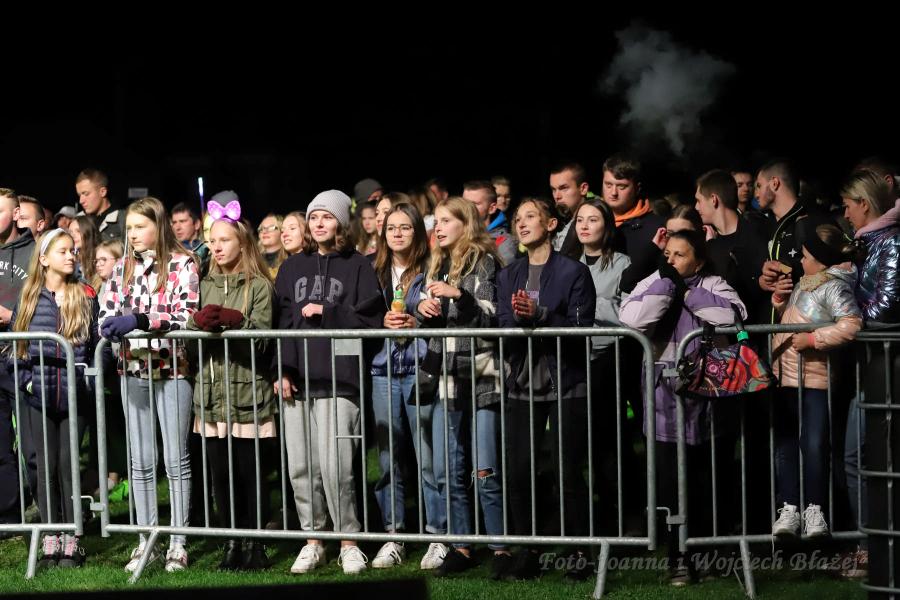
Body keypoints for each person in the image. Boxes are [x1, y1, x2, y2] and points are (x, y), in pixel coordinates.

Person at [619, 230, 745, 586]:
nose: (671, 261)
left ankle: (707, 556)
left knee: (706, 483)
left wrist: (687, 292)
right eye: (668, 254)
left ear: (699, 261)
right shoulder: (655, 281)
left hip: (707, 404)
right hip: (663, 401)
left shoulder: (714, 283)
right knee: (671, 486)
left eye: (680, 255)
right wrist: (667, 285)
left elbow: (730, 317)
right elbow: (632, 319)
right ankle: (678, 558)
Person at [273, 190, 384, 576]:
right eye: (314, 216)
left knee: (338, 468)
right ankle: (313, 541)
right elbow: (281, 323)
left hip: (340, 380)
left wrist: (329, 311)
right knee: (302, 467)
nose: (319, 223)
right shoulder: (291, 268)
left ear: (341, 223)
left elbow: (372, 320)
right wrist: (282, 369)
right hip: (299, 380)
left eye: (327, 216)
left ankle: (349, 542)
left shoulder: (359, 266)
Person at [99, 197, 200, 573]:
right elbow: (107, 311)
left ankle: (177, 543)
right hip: (132, 370)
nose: (133, 234)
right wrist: (112, 326)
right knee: (141, 462)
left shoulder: (183, 263)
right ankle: (146, 540)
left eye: (140, 227)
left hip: (172, 369)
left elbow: (185, 315)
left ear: (158, 225)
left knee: (175, 459)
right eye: (129, 228)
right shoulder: (122, 268)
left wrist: (140, 320)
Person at [497, 197, 596, 580]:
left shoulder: (574, 272)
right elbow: (504, 324)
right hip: (522, 382)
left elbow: (580, 327)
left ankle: (580, 550)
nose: (521, 224)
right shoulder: (509, 274)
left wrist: (539, 315)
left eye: (530, 217)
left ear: (551, 224)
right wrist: (520, 320)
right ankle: (530, 549)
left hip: (566, 380)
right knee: (519, 472)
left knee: (567, 472)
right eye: (517, 219)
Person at [417, 196, 509, 578]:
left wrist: (460, 296)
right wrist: (423, 312)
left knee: (485, 470)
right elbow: (435, 322)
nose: (437, 227)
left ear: (465, 223)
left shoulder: (484, 262)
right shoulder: (437, 264)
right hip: (448, 378)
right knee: (448, 469)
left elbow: (491, 317)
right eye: (436, 221)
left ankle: (501, 547)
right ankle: (462, 546)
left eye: (445, 221)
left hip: (483, 374)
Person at [190, 212, 276, 570]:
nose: (217, 246)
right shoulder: (202, 284)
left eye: (224, 239)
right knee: (221, 476)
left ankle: (256, 543)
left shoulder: (259, 286)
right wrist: (195, 324)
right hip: (211, 394)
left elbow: (263, 341)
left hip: (247, 393)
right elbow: (188, 335)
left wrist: (237, 322)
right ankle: (232, 542)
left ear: (242, 243)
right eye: (212, 240)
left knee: (250, 473)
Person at [10, 228, 99, 568]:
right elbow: (14, 348)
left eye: (72, 250)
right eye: (63, 251)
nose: (71, 256)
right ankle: (51, 536)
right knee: (44, 467)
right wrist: (28, 384)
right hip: (40, 399)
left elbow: (98, 346)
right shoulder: (29, 297)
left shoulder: (85, 295)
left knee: (68, 467)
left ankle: (73, 537)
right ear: (44, 259)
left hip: (76, 399)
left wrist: (87, 380)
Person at [770, 224, 862, 539]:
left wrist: (813, 340)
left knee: (814, 445)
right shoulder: (806, 282)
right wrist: (780, 302)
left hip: (814, 381)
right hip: (787, 379)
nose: (801, 261)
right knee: (786, 445)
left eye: (806, 256)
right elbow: (798, 316)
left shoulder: (834, 287)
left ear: (822, 260)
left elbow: (851, 324)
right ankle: (790, 507)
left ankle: (815, 509)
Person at [369, 203, 447, 571]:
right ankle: (394, 535)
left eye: (405, 227)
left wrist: (420, 323)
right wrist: (379, 321)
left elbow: (442, 315)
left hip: (420, 369)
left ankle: (438, 534)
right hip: (382, 371)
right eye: (391, 228)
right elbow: (362, 315)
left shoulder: (433, 268)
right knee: (389, 458)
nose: (397, 234)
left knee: (428, 456)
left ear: (417, 231)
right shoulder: (373, 271)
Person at [75, 169, 127, 241]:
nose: (81, 201)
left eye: (86, 194)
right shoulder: (78, 220)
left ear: (103, 192)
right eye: (79, 195)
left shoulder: (124, 219)